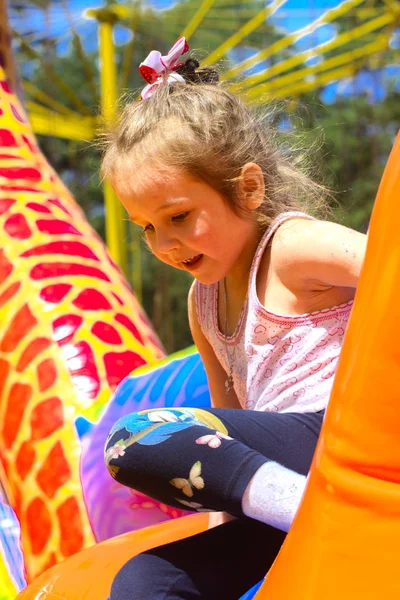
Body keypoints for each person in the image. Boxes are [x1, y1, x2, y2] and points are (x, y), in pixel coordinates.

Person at [101, 37, 366, 599]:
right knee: (144, 582)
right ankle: (312, 518)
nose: (164, 243)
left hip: (337, 438)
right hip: (287, 483)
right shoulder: (205, 303)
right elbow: (228, 427)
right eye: (146, 227)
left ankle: (329, 519)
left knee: (140, 434)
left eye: (177, 216)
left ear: (247, 188)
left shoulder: (294, 247)